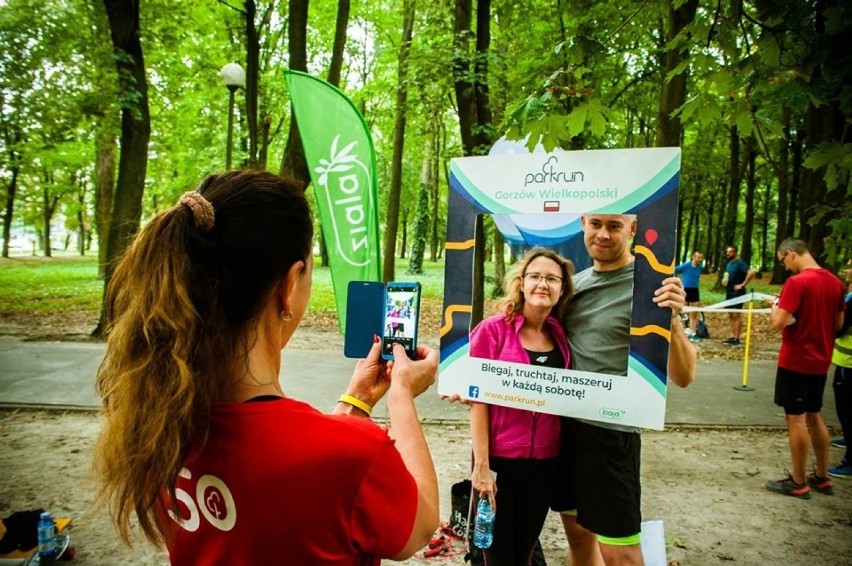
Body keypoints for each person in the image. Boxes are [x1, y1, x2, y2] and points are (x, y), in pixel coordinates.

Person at [93, 170, 440, 564]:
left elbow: (280, 480)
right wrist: (402, 395)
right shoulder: (353, 455)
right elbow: (421, 525)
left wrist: (356, 401)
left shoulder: (157, 423)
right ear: (289, 285)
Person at [553, 214, 696, 566]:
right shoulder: (573, 285)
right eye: (596, 224)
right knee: (580, 544)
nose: (603, 234)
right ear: (583, 224)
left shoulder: (653, 288)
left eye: (614, 226)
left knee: (622, 556)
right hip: (563, 429)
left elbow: (684, 376)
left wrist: (673, 320)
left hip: (611, 436)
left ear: (632, 229)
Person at [468, 247, 575, 566]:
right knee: (496, 555)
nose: (543, 283)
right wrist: (482, 466)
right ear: (522, 283)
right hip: (499, 461)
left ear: (562, 289)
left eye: (552, 278)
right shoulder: (493, 330)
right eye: (536, 277)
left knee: (524, 552)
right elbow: (477, 399)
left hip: (545, 463)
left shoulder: (561, 335)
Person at [764, 238, 846, 499]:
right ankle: (822, 476)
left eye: (782, 261)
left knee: (795, 419)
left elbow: (778, 322)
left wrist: (775, 307)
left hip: (796, 360)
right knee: (815, 414)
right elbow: (838, 324)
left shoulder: (797, 283)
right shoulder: (835, 283)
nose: (785, 267)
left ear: (790, 254)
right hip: (821, 360)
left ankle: (798, 482)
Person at [828, 260, 852, 478]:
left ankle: (850, 460)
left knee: (847, 409)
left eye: (851, 266)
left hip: (849, 365)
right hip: (844, 362)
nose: (846, 269)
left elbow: (839, 327)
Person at [721, 245, 755, 346]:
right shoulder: (728, 264)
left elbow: (751, 272)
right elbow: (726, 276)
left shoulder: (740, 263)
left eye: (730, 252)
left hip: (738, 293)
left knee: (736, 314)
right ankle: (732, 336)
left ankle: (737, 338)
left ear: (735, 252)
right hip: (729, 292)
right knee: (731, 314)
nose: (728, 254)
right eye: (727, 252)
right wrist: (724, 281)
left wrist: (742, 284)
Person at [674, 250, 704, 339]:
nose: (700, 259)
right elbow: (674, 270)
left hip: (695, 290)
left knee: (694, 312)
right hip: (686, 290)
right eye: (698, 257)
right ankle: (683, 332)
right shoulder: (686, 265)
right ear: (693, 257)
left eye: (701, 258)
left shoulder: (700, 268)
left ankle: (693, 332)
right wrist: (677, 281)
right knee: (684, 313)